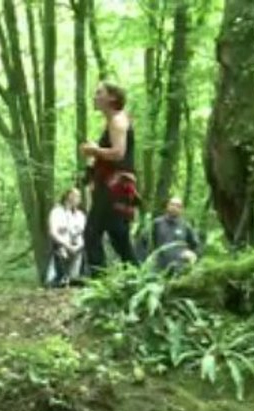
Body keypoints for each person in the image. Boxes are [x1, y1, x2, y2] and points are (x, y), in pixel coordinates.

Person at [80, 82, 140, 274]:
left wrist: (93, 150)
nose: (95, 96)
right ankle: (137, 279)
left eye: (99, 93)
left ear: (112, 98)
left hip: (114, 186)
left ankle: (100, 282)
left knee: (92, 233)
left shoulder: (117, 121)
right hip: (115, 186)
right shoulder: (116, 121)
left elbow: (118, 154)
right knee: (119, 236)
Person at [148, 196, 200, 273]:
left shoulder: (185, 226)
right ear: (167, 206)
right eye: (172, 204)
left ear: (181, 209)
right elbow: (150, 243)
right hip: (159, 267)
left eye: (178, 206)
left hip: (179, 268)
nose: (174, 207)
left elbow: (195, 245)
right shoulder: (157, 223)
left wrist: (190, 255)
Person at [47, 188, 86, 287]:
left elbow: (84, 234)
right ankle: (58, 278)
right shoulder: (57, 212)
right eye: (76, 196)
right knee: (60, 251)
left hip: (78, 247)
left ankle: (76, 277)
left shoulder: (80, 215)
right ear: (69, 196)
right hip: (62, 246)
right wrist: (67, 245)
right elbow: (53, 232)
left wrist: (78, 247)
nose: (79, 199)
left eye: (79, 196)